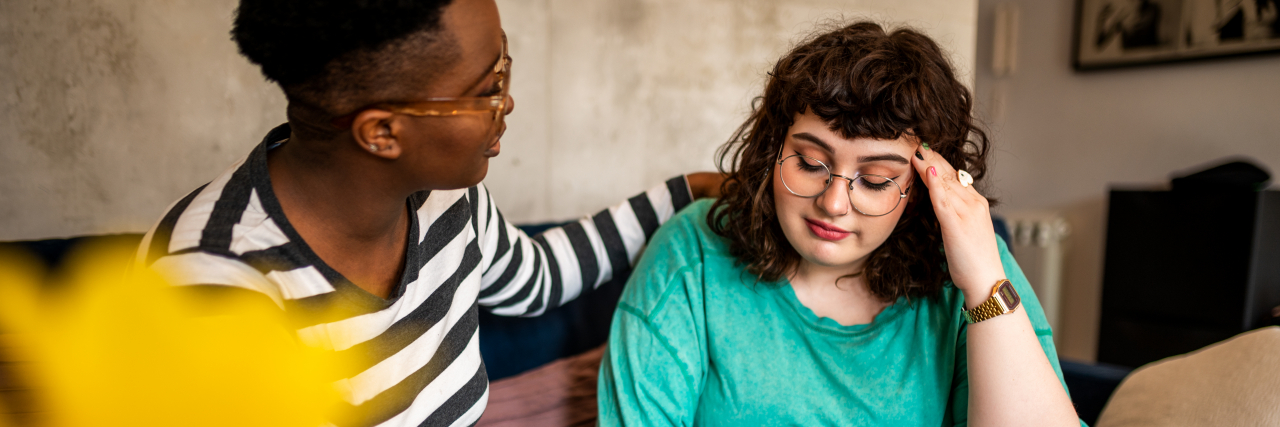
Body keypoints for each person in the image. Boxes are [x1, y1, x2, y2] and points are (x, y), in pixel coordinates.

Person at [134, 0, 722, 426]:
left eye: (504, 67)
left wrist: (693, 189)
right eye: (486, 87)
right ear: (383, 132)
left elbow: (535, 280)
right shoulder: (213, 285)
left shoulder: (445, 198)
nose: (507, 101)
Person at [598, 22, 1084, 426]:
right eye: (809, 163)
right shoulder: (695, 250)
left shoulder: (975, 273)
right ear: (773, 152)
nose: (833, 203)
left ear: (921, 187)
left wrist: (982, 282)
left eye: (874, 180)